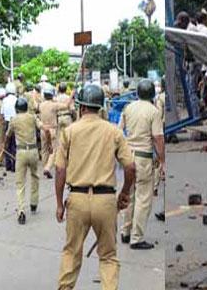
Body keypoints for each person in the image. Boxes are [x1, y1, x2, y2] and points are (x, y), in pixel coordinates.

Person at [55, 84, 136, 290]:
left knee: (71, 253)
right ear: (100, 107)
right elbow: (130, 166)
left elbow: (60, 171)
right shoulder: (113, 132)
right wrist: (125, 193)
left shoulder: (69, 131)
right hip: (105, 201)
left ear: (81, 107)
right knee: (108, 256)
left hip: (77, 199)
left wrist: (59, 204)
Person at [119, 80, 165, 250]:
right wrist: (162, 160)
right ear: (153, 94)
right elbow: (158, 138)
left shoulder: (128, 108)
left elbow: (119, 131)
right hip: (144, 158)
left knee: (129, 195)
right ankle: (137, 238)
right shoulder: (153, 112)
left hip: (128, 158)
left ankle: (125, 231)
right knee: (143, 198)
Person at [3, 97, 42, 225]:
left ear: (16, 109)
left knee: (20, 183)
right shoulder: (32, 117)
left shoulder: (14, 120)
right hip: (33, 150)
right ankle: (34, 203)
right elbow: (42, 127)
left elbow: (8, 136)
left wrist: (4, 146)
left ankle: (21, 210)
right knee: (35, 176)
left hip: (21, 152)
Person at [39, 84, 73, 179]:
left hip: (43, 129)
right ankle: (48, 168)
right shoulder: (54, 105)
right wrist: (72, 95)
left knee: (44, 149)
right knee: (53, 150)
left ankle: (44, 166)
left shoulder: (41, 105)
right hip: (52, 129)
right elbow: (66, 105)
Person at [1, 82, 18, 172]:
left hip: (7, 123)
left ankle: (8, 165)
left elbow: (2, 114)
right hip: (15, 123)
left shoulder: (4, 100)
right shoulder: (17, 99)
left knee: (7, 144)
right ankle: (15, 165)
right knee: (14, 145)